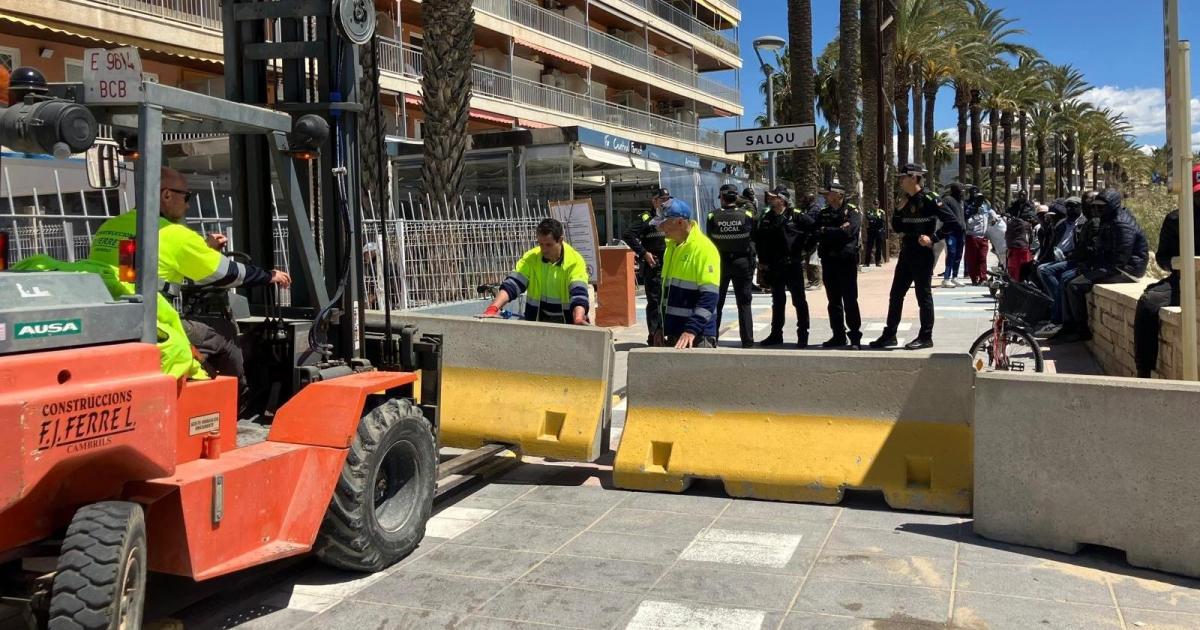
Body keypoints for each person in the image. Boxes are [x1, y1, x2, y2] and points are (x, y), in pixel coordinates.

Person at [88, 167, 291, 385]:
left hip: (112, 317)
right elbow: (226, 274)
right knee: (223, 341)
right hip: (154, 322)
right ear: (166, 195)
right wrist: (269, 275)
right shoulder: (173, 233)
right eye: (187, 196)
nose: (188, 204)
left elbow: (142, 263)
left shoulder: (110, 226)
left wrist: (206, 248)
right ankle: (235, 399)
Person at [870, 163, 961, 350]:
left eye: (903, 177)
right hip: (907, 252)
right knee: (896, 294)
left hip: (922, 254)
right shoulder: (904, 200)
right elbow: (897, 228)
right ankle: (890, 335)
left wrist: (933, 238)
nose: (900, 181)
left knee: (923, 296)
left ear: (913, 177)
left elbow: (954, 223)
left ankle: (926, 337)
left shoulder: (929, 198)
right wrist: (897, 210)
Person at [1055, 189, 1149, 343]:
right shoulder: (1109, 219)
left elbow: (1119, 260)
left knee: (1075, 285)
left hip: (1127, 270)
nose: (1096, 210)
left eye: (1101, 207)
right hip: (1114, 266)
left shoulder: (1121, 224)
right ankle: (1068, 325)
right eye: (1095, 207)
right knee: (1068, 280)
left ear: (1112, 205)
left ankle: (1082, 330)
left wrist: (1094, 271)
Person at [1134, 165, 1200, 377]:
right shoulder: (1175, 219)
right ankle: (1144, 371)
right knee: (1148, 302)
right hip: (1183, 281)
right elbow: (1162, 258)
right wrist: (1178, 263)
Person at [483, 217, 590, 325]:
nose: (544, 249)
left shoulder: (575, 261)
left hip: (567, 323)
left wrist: (578, 318)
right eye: (540, 244)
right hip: (536, 323)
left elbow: (579, 292)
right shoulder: (531, 258)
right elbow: (513, 284)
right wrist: (493, 308)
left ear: (560, 240)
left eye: (548, 245)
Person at [652, 199, 721, 348]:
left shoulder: (704, 249)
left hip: (696, 335)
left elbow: (710, 297)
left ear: (680, 222)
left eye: (664, 222)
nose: (660, 227)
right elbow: (665, 293)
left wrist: (691, 330)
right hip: (674, 333)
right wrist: (660, 326)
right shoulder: (671, 248)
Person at [752, 185, 813, 348]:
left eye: (773, 197)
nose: (770, 200)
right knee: (778, 301)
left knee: (799, 301)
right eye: (770, 197)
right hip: (775, 266)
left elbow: (814, 230)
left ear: (782, 199)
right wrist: (763, 263)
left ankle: (803, 335)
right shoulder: (766, 217)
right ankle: (776, 334)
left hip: (792, 265)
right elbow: (760, 240)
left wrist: (805, 248)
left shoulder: (797, 216)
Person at [708, 184, 758, 347]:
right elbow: (754, 238)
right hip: (742, 263)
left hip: (720, 263)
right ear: (736, 197)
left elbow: (709, 241)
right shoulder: (747, 215)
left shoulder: (712, 216)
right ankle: (748, 341)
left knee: (717, 302)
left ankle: (711, 338)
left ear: (722, 197)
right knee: (744, 304)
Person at [816, 183, 863, 349]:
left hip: (846, 262)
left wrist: (827, 231)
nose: (825, 197)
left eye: (828, 194)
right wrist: (836, 231)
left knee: (850, 300)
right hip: (829, 261)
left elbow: (850, 232)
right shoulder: (823, 212)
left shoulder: (852, 211)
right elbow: (817, 232)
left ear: (838, 195)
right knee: (833, 301)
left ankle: (855, 337)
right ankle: (838, 335)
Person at [623, 187, 670, 344]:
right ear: (654, 201)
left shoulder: (671, 216)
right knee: (655, 302)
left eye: (667, 199)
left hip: (670, 266)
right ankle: (654, 336)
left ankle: (668, 333)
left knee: (669, 300)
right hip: (654, 266)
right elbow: (628, 235)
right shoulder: (646, 218)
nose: (665, 202)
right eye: (662, 200)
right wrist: (644, 253)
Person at [1034, 196, 1085, 335]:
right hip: (1059, 256)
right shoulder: (1061, 225)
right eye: (1068, 207)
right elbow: (1051, 245)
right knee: (1039, 269)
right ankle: (1056, 309)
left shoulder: (1082, 223)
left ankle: (1058, 317)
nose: (1070, 209)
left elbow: (1082, 247)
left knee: (1046, 271)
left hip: (1073, 259)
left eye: (1074, 206)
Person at [963, 186, 999, 285]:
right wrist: (974, 210)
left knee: (982, 258)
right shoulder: (967, 205)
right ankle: (974, 278)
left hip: (983, 236)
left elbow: (991, 213)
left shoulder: (985, 204)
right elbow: (966, 220)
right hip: (972, 235)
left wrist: (995, 217)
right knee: (972, 259)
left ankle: (983, 278)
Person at [939, 183, 967, 288]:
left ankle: (955, 277)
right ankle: (946, 279)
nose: (962, 194)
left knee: (958, 255)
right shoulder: (947, 200)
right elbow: (941, 211)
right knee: (951, 253)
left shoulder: (961, 202)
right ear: (955, 191)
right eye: (960, 192)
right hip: (951, 232)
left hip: (961, 231)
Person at [1004, 205, 1035, 282]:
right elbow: (1030, 238)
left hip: (1011, 248)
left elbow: (1006, 235)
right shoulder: (1027, 224)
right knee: (1023, 268)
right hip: (1022, 249)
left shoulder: (1010, 223)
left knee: (1013, 268)